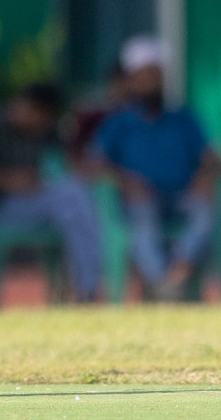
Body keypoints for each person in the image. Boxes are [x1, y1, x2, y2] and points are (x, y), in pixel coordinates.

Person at [94, 37, 219, 301]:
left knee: (205, 211)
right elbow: (94, 164)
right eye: (144, 76)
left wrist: (205, 176)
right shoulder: (119, 122)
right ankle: (162, 283)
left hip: (182, 195)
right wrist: (124, 179)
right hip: (139, 198)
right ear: (131, 80)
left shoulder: (183, 117)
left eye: (156, 75)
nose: (152, 82)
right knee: (142, 220)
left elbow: (209, 159)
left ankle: (175, 275)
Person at [0, 83, 102, 302]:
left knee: (72, 204)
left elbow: (65, 166)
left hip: (45, 206)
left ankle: (85, 289)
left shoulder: (48, 133)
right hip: (4, 208)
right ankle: (90, 287)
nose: (18, 110)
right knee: (72, 195)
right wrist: (7, 180)